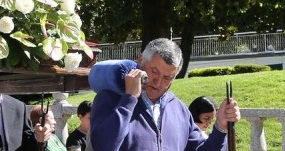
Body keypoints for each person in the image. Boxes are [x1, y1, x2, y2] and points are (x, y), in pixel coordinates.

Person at [89, 38, 241, 150]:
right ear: (140, 60)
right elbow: (103, 146)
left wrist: (221, 128)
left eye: (167, 78)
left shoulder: (179, 109)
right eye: (154, 72)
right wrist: (129, 99)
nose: (158, 82)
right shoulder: (110, 99)